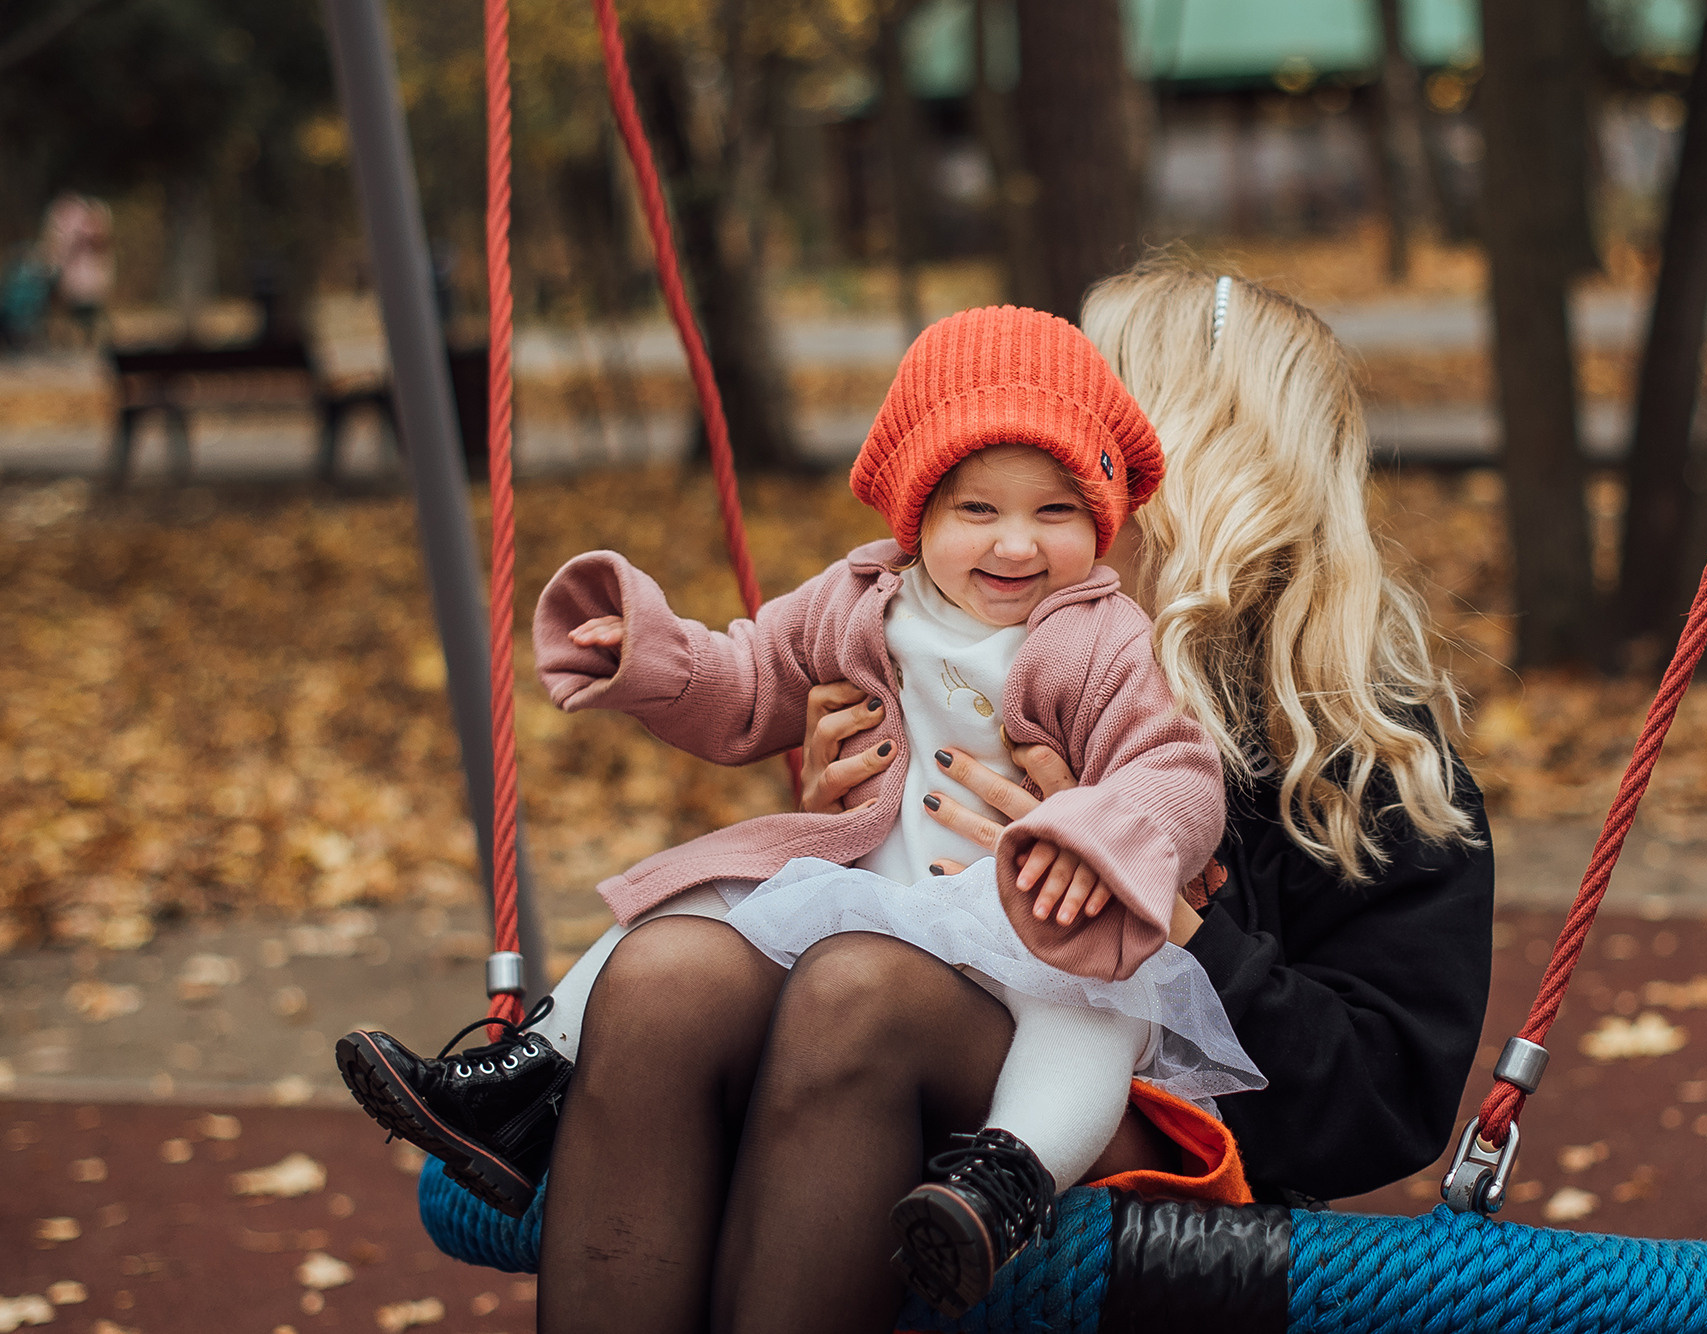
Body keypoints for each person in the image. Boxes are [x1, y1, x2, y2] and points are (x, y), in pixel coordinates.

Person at [344, 261, 1494, 1334]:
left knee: (863, 989)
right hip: (884, 1011)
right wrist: (863, 809)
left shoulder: (1350, 744)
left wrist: (1163, 908)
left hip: (1129, 1090)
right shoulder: (939, 629)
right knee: (668, 970)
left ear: (1181, 464)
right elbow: (757, 687)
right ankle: (534, 1086)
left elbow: (1377, 1104)